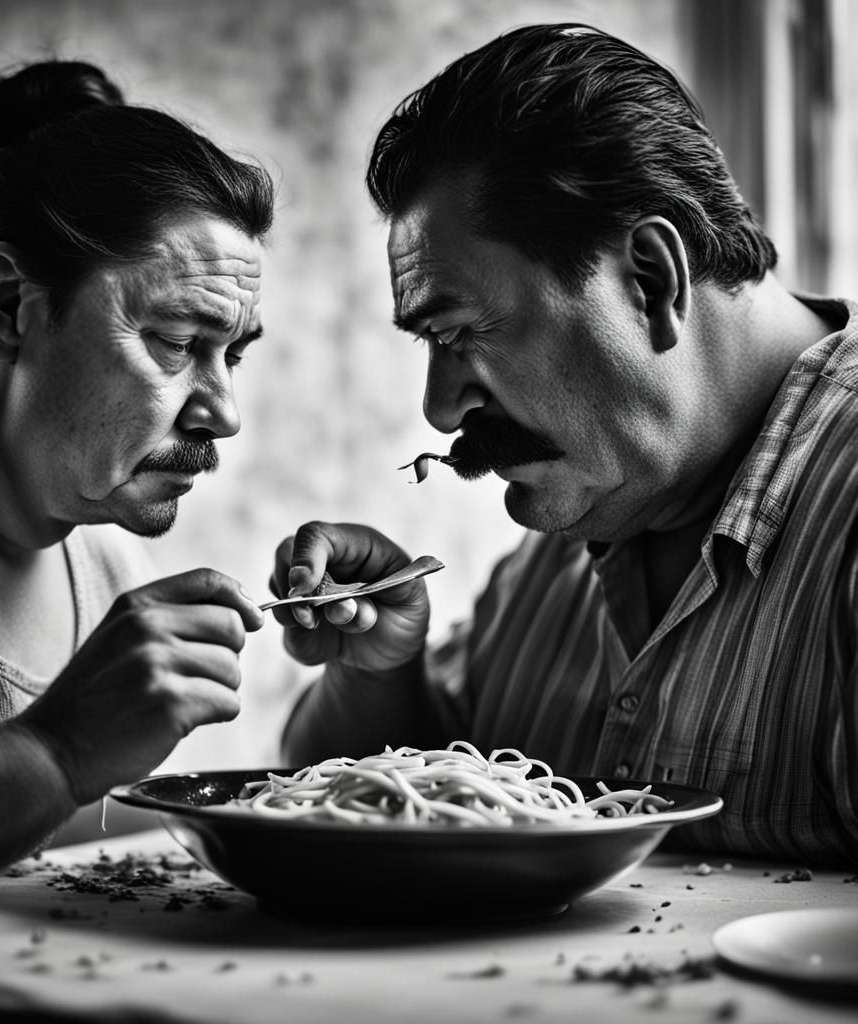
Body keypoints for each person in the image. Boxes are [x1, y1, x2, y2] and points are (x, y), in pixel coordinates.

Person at [267, 23, 858, 866]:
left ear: (651, 281)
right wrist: (379, 672)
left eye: (463, 331)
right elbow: (355, 818)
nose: (440, 411)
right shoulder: (574, 522)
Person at [0, 60, 274, 898]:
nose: (222, 413)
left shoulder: (106, 573)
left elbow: (70, 857)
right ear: (7, 305)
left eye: (234, 355)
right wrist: (55, 751)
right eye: (179, 343)